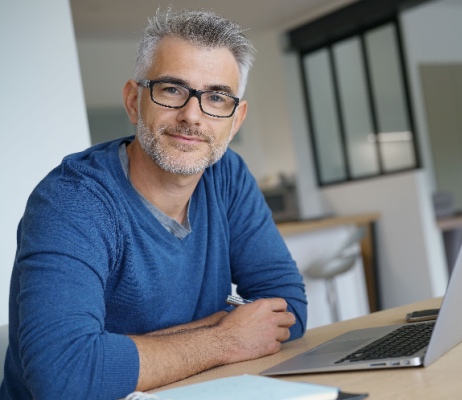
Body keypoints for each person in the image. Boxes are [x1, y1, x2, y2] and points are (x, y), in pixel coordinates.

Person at [0, 8, 307, 400]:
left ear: (236, 119)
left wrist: (124, 353)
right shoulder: (71, 201)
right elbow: (65, 375)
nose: (192, 116)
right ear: (133, 101)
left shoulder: (226, 175)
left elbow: (288, 305)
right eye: (172, 89)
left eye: (216, 97)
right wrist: (225, 338)